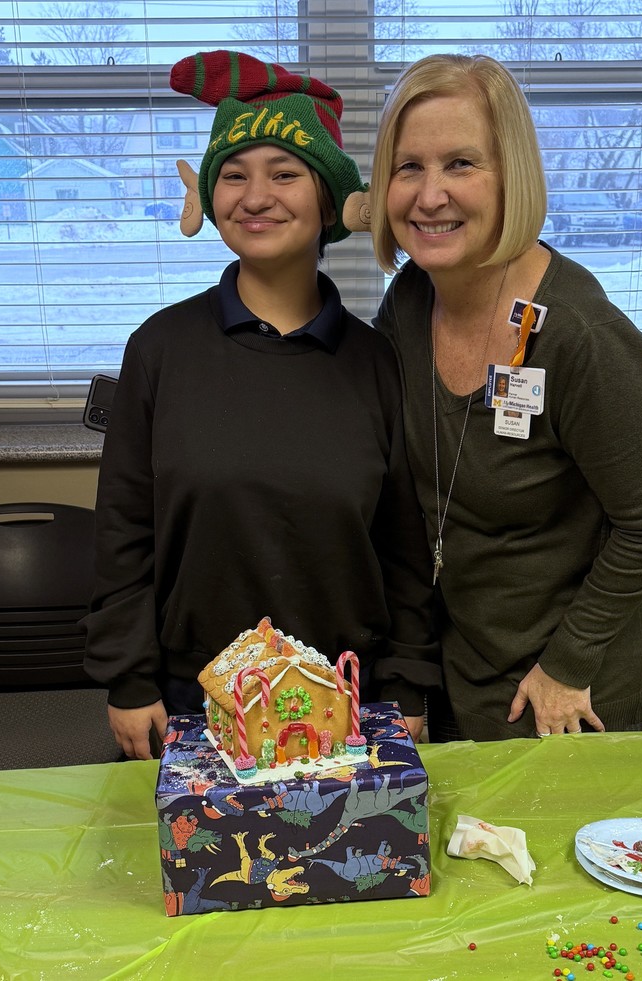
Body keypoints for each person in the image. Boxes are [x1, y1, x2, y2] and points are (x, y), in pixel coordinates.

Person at [83, 50, 438, 760]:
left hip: (346, 703)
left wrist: (406, 687)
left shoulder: (376, 364)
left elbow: (404, 550)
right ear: (212, 197)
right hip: (192, 703)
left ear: (329, 199)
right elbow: (123, 533)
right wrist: (129, 680)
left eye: (284, 174)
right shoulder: (159, 350)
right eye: (234, 175)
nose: (256, 196)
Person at [368, 54, 642, 742]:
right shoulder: (408, 305)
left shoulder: (582, 338)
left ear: (512, 175)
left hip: (568, 687)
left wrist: (567, 665)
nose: (430, 195)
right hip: (463, 662)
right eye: (408, 168)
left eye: (461, 164)